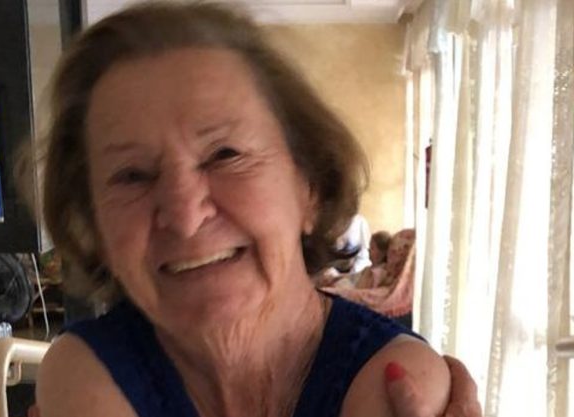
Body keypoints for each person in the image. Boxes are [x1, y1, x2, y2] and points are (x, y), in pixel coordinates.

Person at [29, 3, 480, 417]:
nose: (185, 217)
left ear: (310, 187)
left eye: (225, 154)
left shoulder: (396, 380)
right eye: (132, 175)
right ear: (94, 224)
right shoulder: (84, 372)